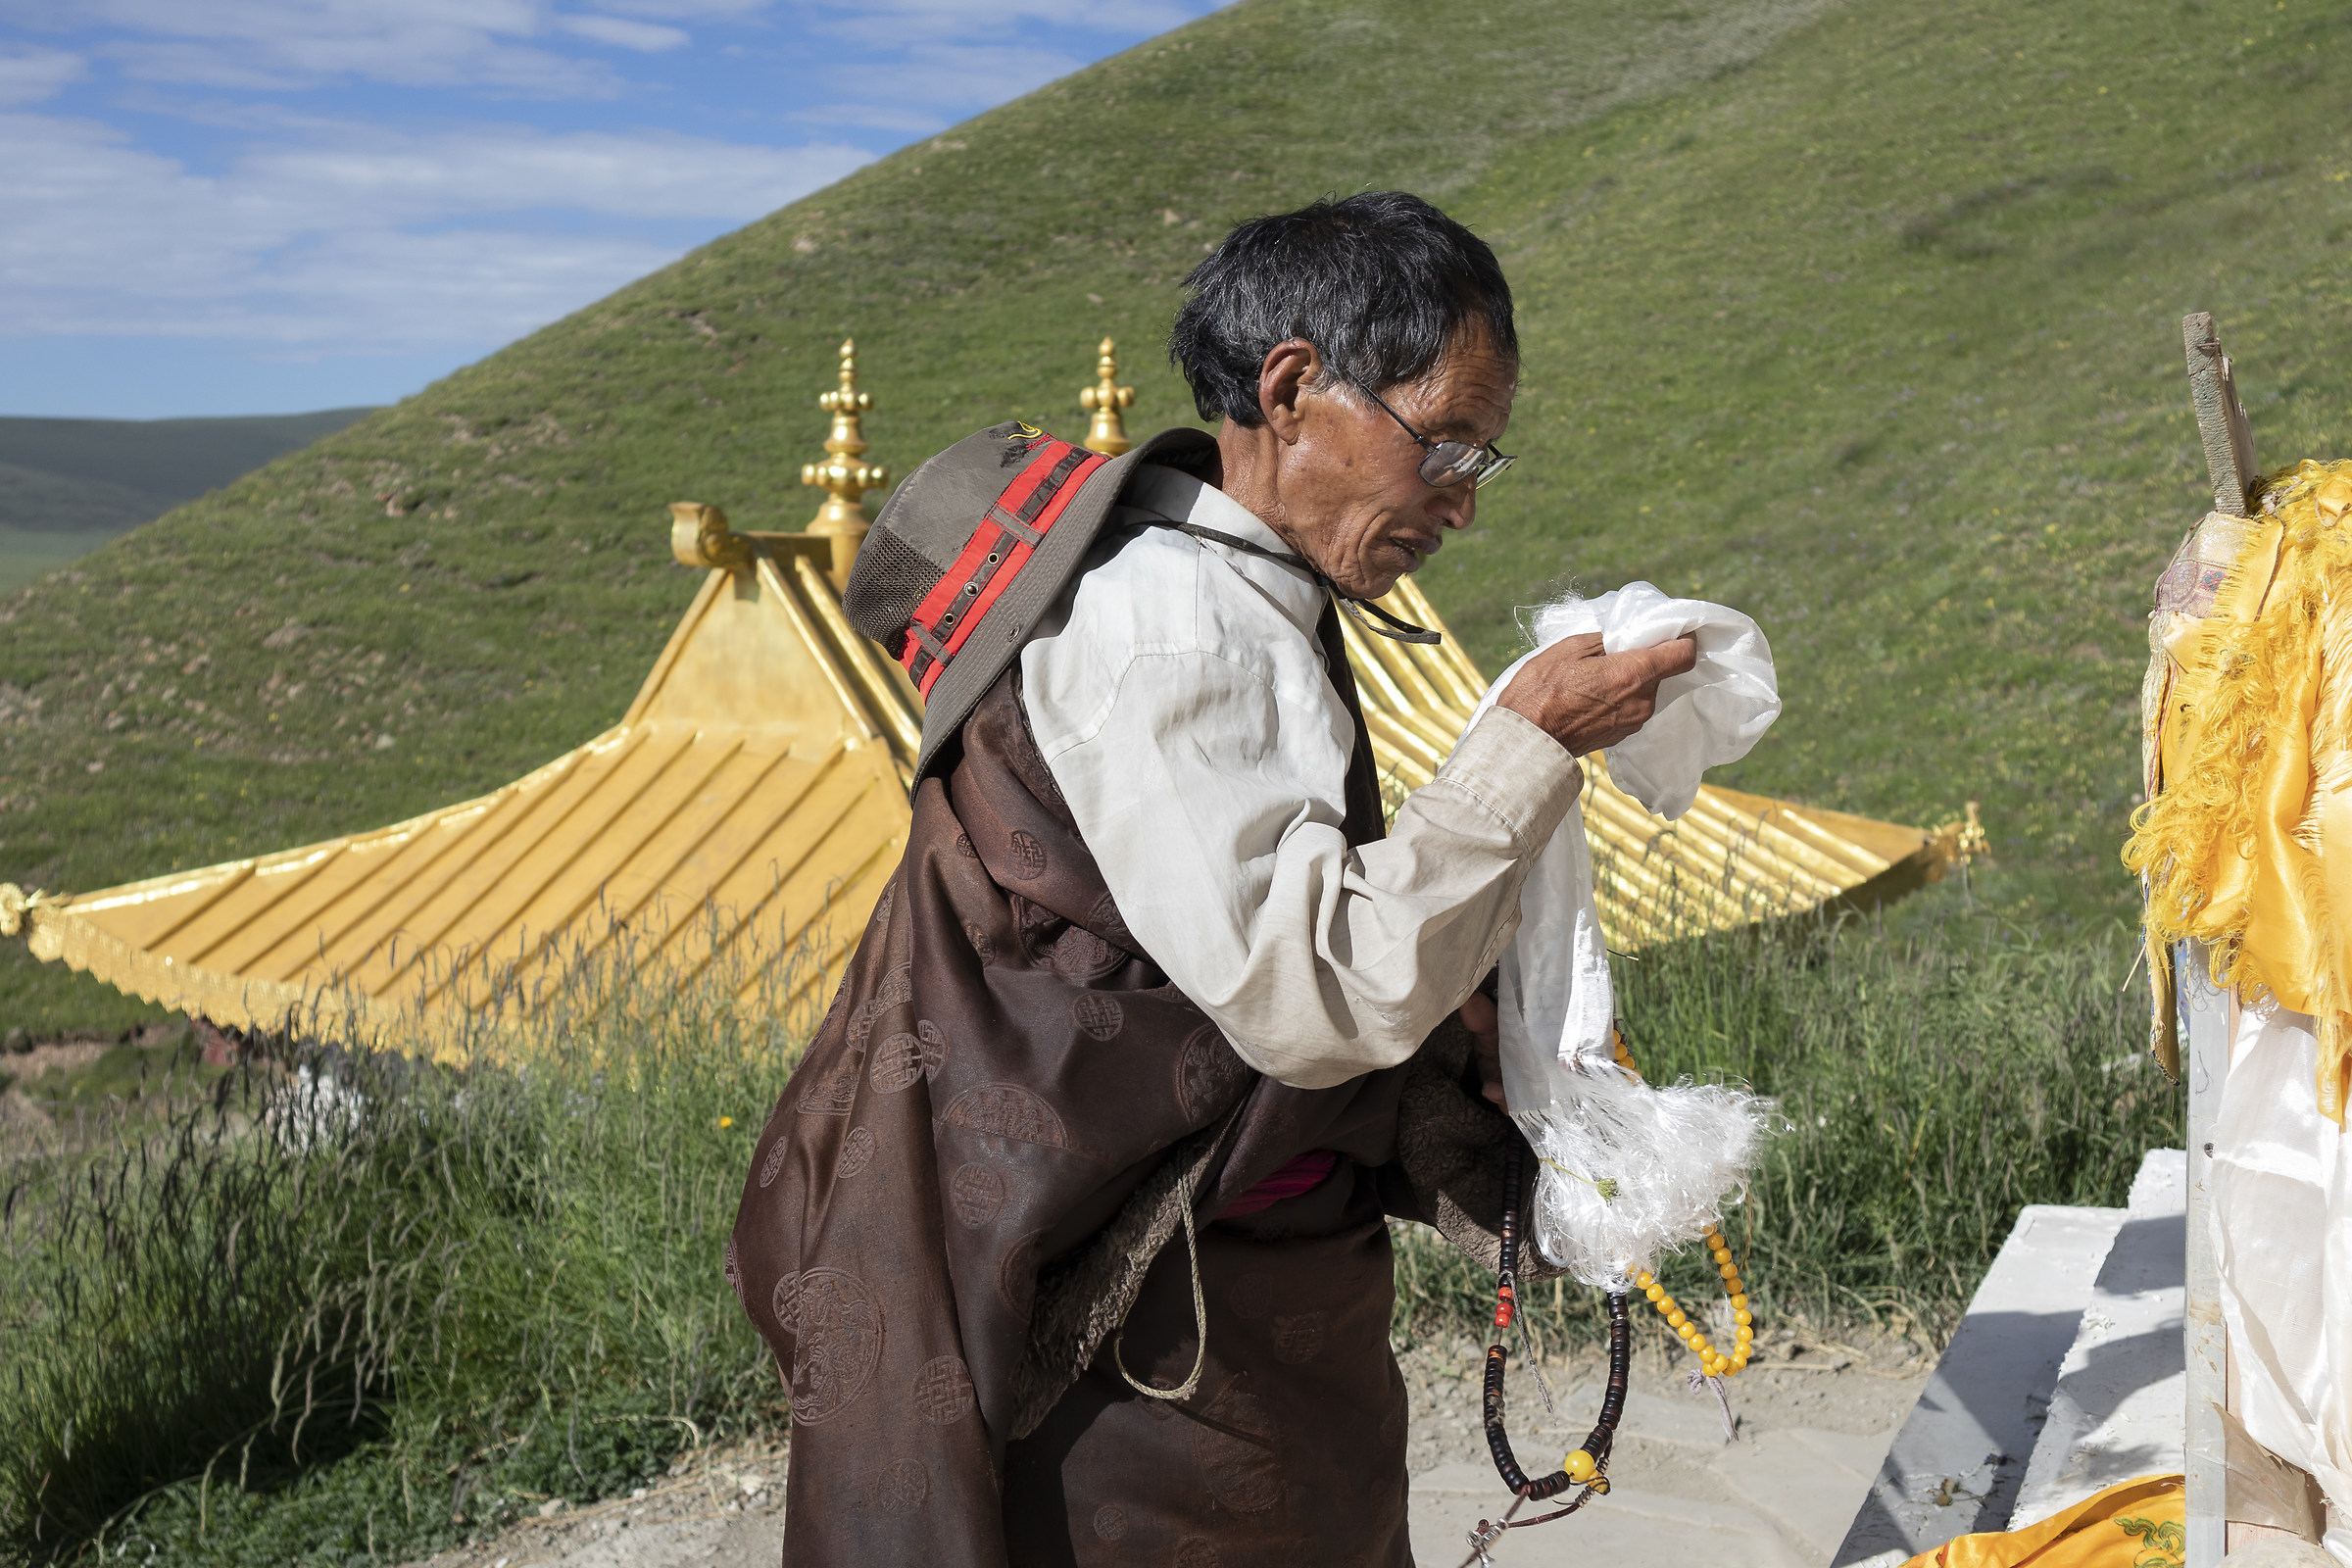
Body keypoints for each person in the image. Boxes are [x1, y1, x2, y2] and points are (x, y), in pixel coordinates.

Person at [729, 190, 1696, 1567]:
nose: (1463, 505)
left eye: (1487, 456)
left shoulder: (1219, 588)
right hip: (1150, 1355)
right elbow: (1309, 997)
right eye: (1444, 445)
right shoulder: (1178, 630)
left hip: (1244, 1314)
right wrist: (1524, 747)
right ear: (1293, 389)